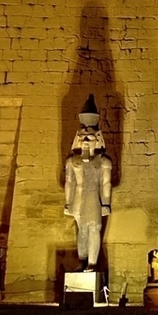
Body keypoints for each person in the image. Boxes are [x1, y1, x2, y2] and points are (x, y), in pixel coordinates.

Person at [64, 95, 112, 271]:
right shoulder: (72, 161)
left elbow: (105, 185)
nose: (85, 142)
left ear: (98, 139)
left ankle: (92, 262)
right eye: (83, 138)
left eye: (89, 138)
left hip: (93, 197)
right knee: (81, 230)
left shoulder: (103, 161)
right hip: (78, 197)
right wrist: (68, 202)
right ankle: (82, 260)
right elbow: (69, 183)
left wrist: (106, 203)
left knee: (94, 228)